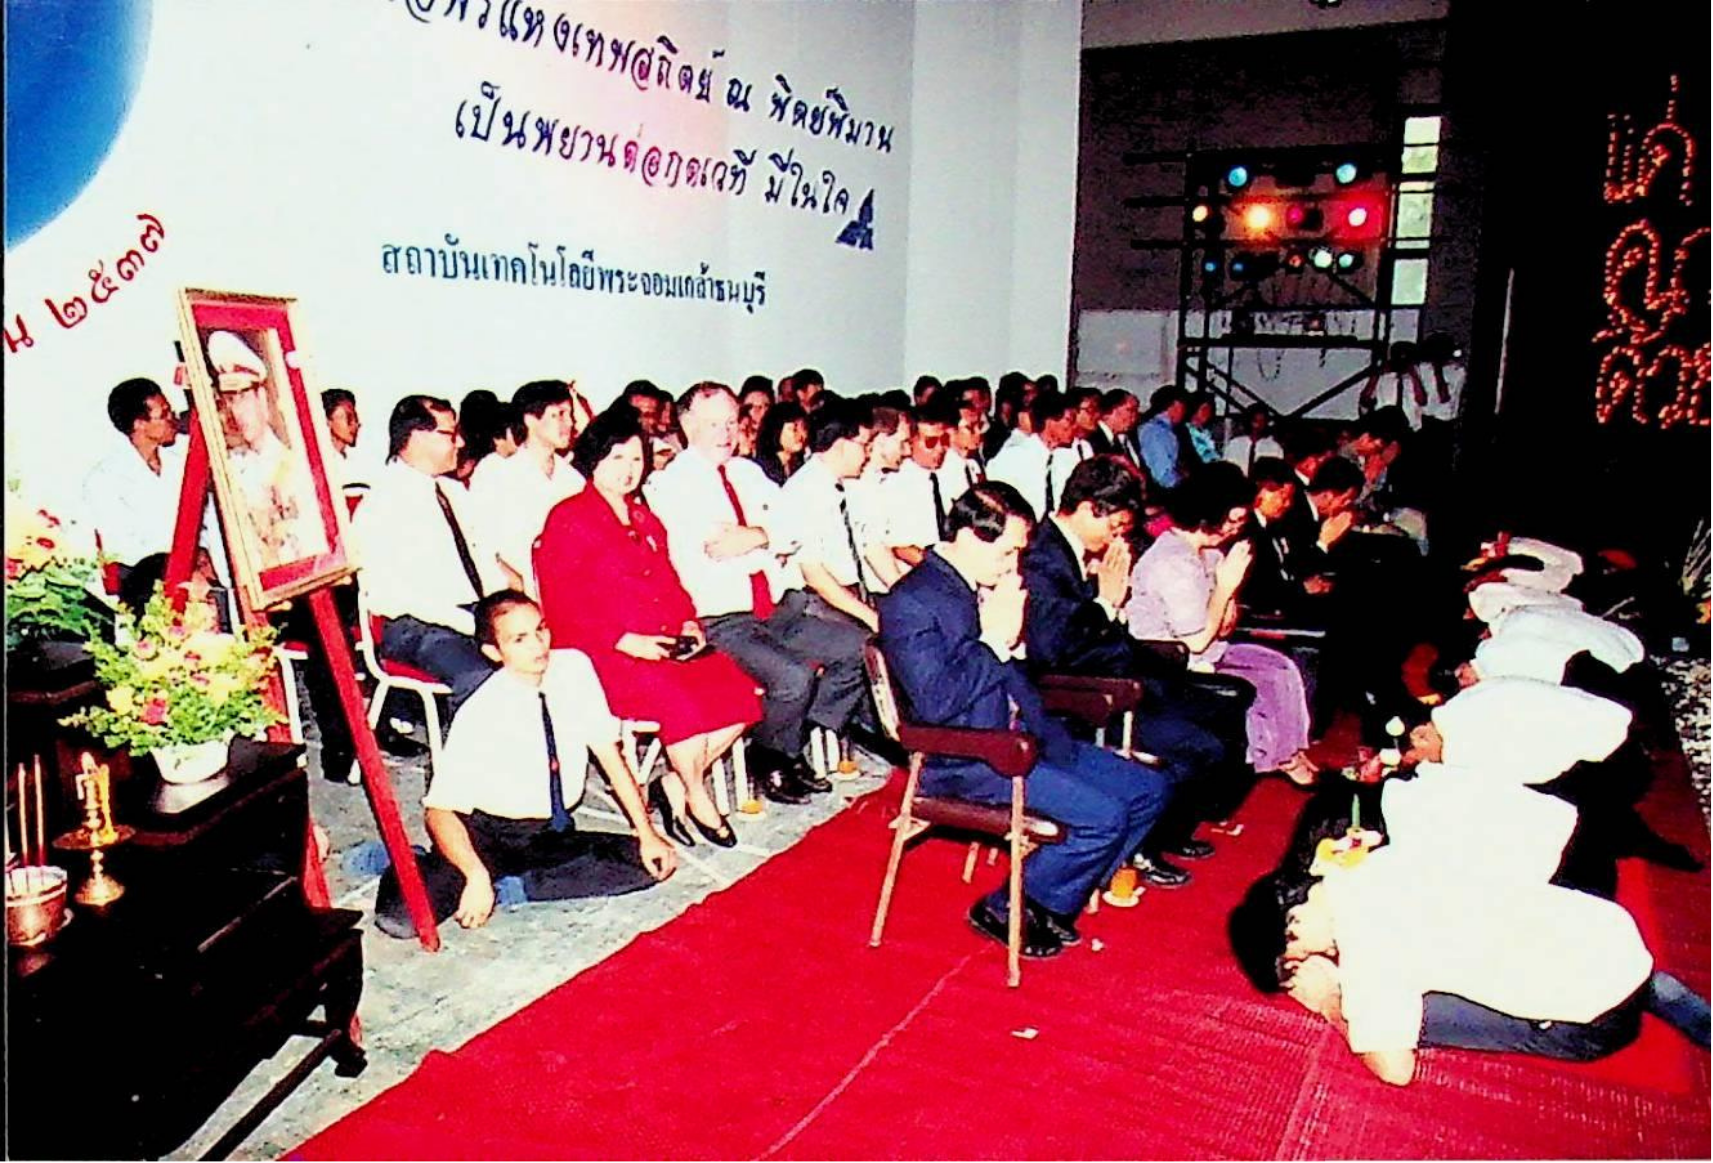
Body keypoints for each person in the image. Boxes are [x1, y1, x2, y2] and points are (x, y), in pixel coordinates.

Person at [878, 482, 1175, 958]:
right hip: (970, 757)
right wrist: (995, 641)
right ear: (972, 537)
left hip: (1027, 735)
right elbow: (936, 703)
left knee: (1149, 790)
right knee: (1105, 819)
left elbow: (1026, 670)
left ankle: (1050, 899)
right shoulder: (911, 601)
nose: (1014, 565)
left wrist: (1016, 647)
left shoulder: (987, 585)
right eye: (1007, 552)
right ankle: (1006, 907)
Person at [372, 590, 676, 938]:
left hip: (550, 832)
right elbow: (439, 811)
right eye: (519, 639)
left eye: (540, 629)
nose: (537, 645)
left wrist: (647, 833)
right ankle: (409, 861)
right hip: (488, 834)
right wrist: (475, 875)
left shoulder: (574, 668)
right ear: (494, 652)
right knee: (401, 920)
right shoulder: (481, 710)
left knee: (650, 864)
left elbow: (610, 756)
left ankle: (516, 888)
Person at [534, 408, 762, 849]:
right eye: (617, 458)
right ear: (595, 459)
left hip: (665, 639)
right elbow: (562, 604)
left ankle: (674, 782)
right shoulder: (569, 518)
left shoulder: (644, 517)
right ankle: (696, 794)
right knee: (682, 704)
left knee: (740, 695)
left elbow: (670, 581)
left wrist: (689, 620)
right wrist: (623, 640)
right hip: (603, 650)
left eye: (636, 459)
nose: (628, 470)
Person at [1018, 457, 1239, 886]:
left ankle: (1169, 830)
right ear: (1089, 509)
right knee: (1198, 746)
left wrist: (1111, 608)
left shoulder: (1077, 552)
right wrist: (1105, 602)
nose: (1118, 537)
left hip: (1117, 672)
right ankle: (1143, 846)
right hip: (1082, 698)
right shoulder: (1043, 559)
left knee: (1222, 710)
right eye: (1115, 526)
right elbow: (1055, 649)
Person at [644, 383, 868, 803]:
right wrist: (769, 539)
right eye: (714, 424)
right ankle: (773, 757)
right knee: (793, 677)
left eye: (732, 422)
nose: (726, 433)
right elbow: (712, 548)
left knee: (860, 649)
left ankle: (788, 740)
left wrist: (757, 535)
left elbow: (797, 528)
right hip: (722, 620)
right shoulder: (669, 484)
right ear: (687, 424)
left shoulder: (748, 473)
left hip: (777, 609)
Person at [1126, 467, 1318, 785]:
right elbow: (1197, 641)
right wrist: (1226, 587)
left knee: (1279, 666)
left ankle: (1293, 750)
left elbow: (1225, 626)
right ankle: (1278, 757)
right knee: (1264, 679)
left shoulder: (1210, 552)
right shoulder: (1171, 560)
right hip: (1169, 660)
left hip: (1209, 648)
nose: (1237, 528)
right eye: (1234, 520)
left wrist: (1227, 589)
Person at [351, 395, 501, 713]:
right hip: (415, 624)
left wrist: (503, 612)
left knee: (541, 663)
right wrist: (471, 623)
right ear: (417, 438)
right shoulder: (381, 505)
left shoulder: (454, 492)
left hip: (472, 614)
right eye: (449, 434)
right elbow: (388, 596)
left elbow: (485, 563)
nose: (460, 442)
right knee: (483, 680)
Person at [205, 329, 328, 569]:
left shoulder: (293, 465)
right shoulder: (235, 469)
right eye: (230, 401)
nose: (237, 412)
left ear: (261, 398)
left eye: (243, 398)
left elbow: (314, 546)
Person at [468, 380, 585, 593]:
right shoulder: (495, 471)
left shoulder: (574, 480)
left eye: (570, 415)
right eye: (559, 414)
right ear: (530, 419)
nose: (569, 422)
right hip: (514, 597)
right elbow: (478, 542)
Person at [776, 397, 881, 632]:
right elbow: (815, 576)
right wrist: (871, 618)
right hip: (816, 605)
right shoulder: (804, 491)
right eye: (864, 445)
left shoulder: (848, 485)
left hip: (850, 598)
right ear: (841, 445)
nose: (867, 454)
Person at [82, 378, 207, 574]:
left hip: (201, 570)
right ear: (139, 424)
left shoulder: (184, 457)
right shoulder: (104, 480)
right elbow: (122, 549)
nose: (172, 418)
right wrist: (183, 556)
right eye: (163, 414)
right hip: (146, 577)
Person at [987, 389, 1079, 519]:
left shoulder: (1067, 459)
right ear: (1049, 422)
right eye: (1070, 420)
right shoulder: (1013, 458)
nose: (1075, 427)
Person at [936, 393, 988, 502]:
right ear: (950, 431)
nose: (978, 433)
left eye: (979, 426)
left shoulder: (976, 460)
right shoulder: (945, 469)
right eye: (970, 428)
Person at [1138, 385, 1191, 491]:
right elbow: (1163, 476)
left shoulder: (1167, 430)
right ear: (1175, 405)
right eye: (1184, 406)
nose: (1185, 411)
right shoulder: (1156, 432)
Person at [751, 401, 808, 485]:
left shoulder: (800, 464)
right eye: (794, 429)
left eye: (804, 428)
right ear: (777, 430)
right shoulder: (764, 469)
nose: (800, 435)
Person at [1222, 404, 1283, 474]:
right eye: (1255, 421)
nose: (1257, 425)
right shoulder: (1234, 444)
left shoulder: (1274, 448)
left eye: (1261, 421)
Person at [321, 388, 365, 486]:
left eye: (356, 419)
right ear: (328, 421)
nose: (355, 425)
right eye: (349, 418)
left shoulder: (355, 466)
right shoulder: (319, 464)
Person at [1090, 389, 1142, 467]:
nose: (1135, 416)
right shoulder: (1093, 439)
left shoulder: (1128, 438)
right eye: (1130, 410)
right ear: (1112, 410)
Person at [1184, 396, 1219, 465]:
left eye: (1209, 411)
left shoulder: (1206, 432)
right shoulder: (1185, 430)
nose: (1206, 414)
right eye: (1204, 410)